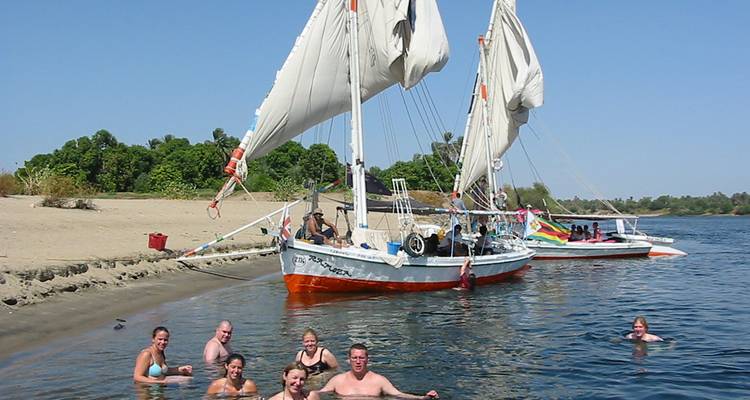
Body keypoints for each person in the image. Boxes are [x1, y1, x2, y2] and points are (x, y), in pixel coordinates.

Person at [316, 343, 439, 399]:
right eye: (354, 358)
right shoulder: (338, 380)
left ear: (367, 360)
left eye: (361, 358)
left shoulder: (379, 380)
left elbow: (398, 394)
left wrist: (422, 398)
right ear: (349, 360)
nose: (358, 361)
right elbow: (318, 394)